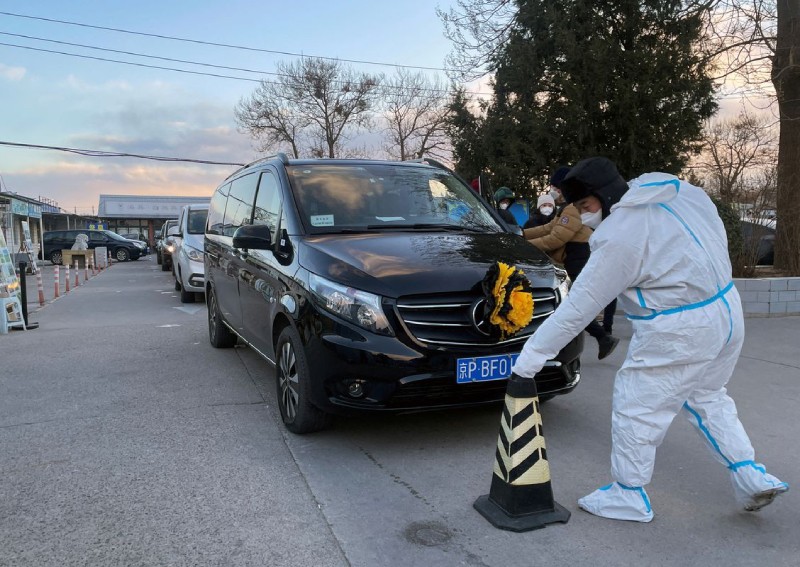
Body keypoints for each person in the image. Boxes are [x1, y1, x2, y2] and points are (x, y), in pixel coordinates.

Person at [511, 156, 788, 522]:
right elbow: (715, 230)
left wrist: (529, 360)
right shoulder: (677, 194)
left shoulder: (622, 234)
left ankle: (628, 494)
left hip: (678, 327)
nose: (585, 215)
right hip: (726, 309)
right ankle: (749, 473)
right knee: (708, 395)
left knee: (636, 406)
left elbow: (577, 308)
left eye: (586, 205)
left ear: (604, 196)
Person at [521, 188, 619, 360]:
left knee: (573, 303)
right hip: (574, 256)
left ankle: (603, 337)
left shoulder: (573, 209)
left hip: (577, 257)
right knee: (574, 302)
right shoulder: (567, 208)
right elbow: (549, 227)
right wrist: (520, 234)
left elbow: (555, 238)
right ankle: (602, 337)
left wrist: (524, 245)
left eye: (558, 188)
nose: (555, 192)